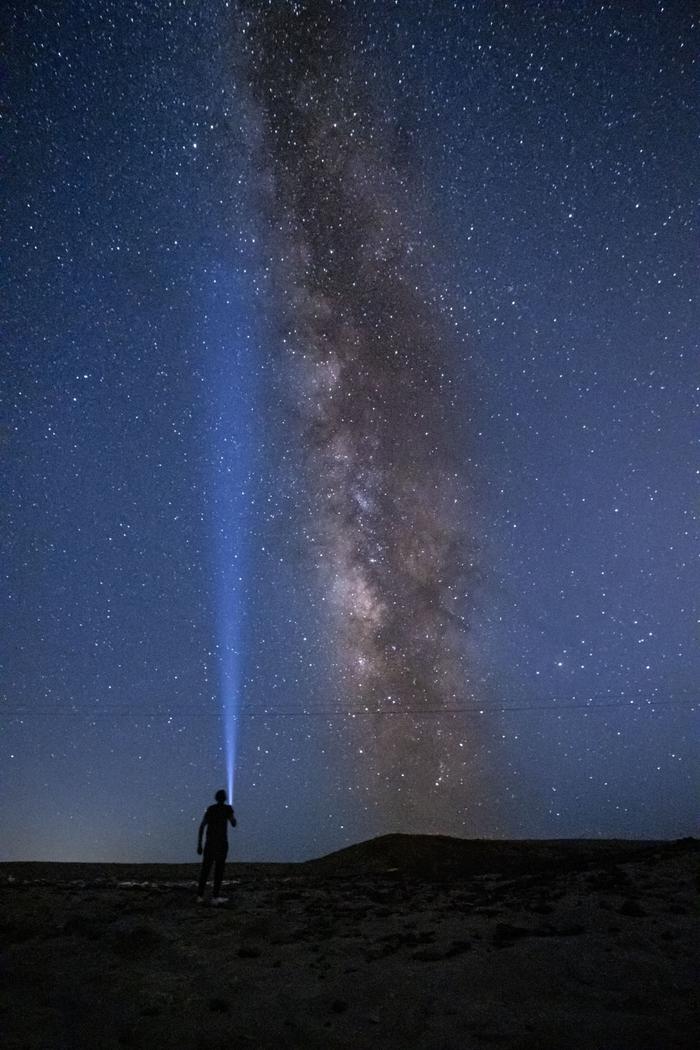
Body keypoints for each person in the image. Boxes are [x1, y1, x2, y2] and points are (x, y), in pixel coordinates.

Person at [196, 789, 237, 904]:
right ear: (225, 798)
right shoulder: (227, 809)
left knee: (205, 869)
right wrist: (231, 815)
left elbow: (202, 826)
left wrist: (199, 844)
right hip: (222, 843)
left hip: (210, 843)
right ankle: (215, 897)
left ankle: (199, 896)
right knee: (219, 870)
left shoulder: (211, 809)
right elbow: (233, 823)